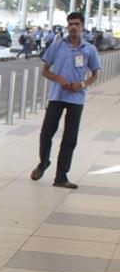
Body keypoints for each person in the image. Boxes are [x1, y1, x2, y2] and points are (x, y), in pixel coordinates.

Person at [30, 11, 100, 189]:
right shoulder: (57, 45)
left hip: (76, 99)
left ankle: (61, 176)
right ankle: (43, 162)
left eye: (76, 24)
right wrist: (58, 79)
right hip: (57, 96)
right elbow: (45, 70)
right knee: (47, 133)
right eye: (70, 24)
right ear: (67, 26)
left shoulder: (89, 50)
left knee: (70, 137)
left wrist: (83, 84)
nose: (73, 27)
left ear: (82, 27)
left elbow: (95, 74)